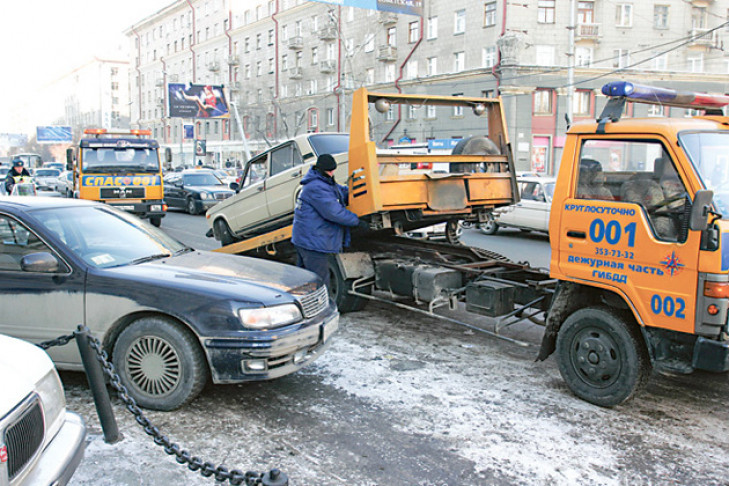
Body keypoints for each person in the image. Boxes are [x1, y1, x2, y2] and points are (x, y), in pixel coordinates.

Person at [291, 154, 366, 290]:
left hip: (307, 239)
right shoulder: (316, 187)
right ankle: (320, 309)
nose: (332, 173)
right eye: (329, 171)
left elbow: (340, 192)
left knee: (305, 279)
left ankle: (306, 306)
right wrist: (357, 221)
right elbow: (334, 212)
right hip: (313, 242)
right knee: (318, 281)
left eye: (333, 170)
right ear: (321, 169)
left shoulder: (323, 182)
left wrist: (357, 191)